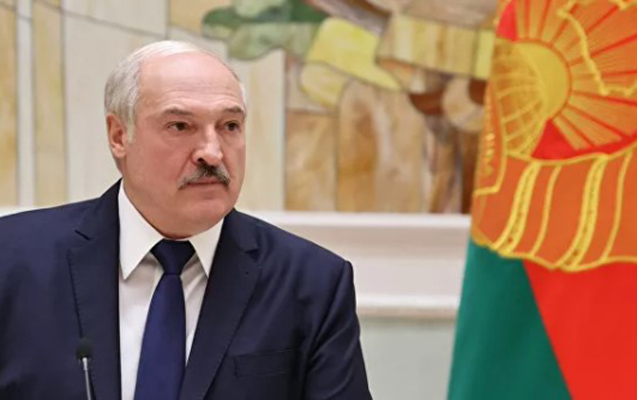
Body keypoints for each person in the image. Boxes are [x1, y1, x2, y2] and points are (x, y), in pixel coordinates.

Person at [0, 41, 372, 400]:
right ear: (119, 136)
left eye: (229, 126)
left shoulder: (311, 282)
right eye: (180, 126)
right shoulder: (13, 260)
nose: (212, 153)